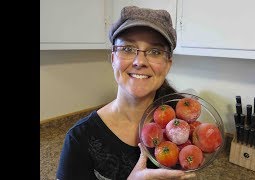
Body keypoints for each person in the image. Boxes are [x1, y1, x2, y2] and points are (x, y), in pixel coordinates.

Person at [56, 6, 196, 180]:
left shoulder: (180, 124)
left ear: (168, 64)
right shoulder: (80, 139)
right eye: (128, 48)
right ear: (113, 58)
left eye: (155, 51)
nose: (140, 61)